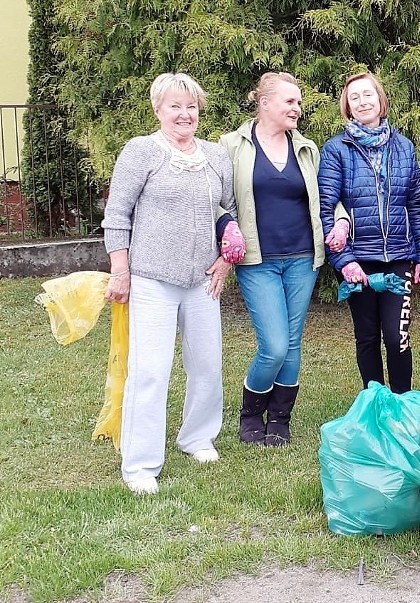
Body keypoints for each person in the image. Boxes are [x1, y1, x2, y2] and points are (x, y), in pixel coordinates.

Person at [102, 72, 242, 495]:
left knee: (207, 364)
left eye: (191, 107)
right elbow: (117, 215)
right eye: (175, 106)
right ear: (158, 110)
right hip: (151, 279)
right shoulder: (141, 151)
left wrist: (225, 260)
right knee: (150, 370)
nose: (185, 114)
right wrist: (120, 270)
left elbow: (230, 212)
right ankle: (140, 464)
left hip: (203, 282)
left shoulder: (216, 155)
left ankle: (197, 437)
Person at [219, 72, 323, 446]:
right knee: (275, 345)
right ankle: (250, 413)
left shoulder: (307, 148)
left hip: (302, 258)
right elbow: (215, 197)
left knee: (292, 344)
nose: (298, 108)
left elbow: (325, 197)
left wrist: (341, 217)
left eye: (298, 102)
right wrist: (225, 228)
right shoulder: (231, 145)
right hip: (257, 259)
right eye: (290, 102)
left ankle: (279, 418)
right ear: (264, 104)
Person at [319, 72, 420, 394]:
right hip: (358, 261)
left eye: (368, 95)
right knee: (366, 336)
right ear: (347, 108)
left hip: (399, 258)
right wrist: (343, 260)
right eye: (355, 97)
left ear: (381, 100)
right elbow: (327, 207)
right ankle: (374, 403)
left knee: (397, 337)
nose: (362, 102)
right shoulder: (336, 149)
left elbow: (415, 205)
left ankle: (401, 403)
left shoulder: (404, 147)